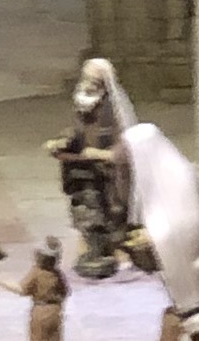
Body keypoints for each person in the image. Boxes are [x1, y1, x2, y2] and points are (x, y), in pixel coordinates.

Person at [49, 58, 135, 278]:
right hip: (84, 172)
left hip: (109, 175)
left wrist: (101, 154)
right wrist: (63, 141)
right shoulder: (84, 104)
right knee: (86, 209)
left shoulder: (112, 110)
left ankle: (116, 249)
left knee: (112, 212)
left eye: (94, 81)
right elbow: (77, 131)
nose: (88, 85)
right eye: (86, 79)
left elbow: (126, 145)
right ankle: (90, 245)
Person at [0, 238, 72, 341]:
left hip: (40, 310)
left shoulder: (36, 272)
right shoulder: (57, 274)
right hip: (55, 311)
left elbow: (21, 290)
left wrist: (0, 282)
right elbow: (65, 292)